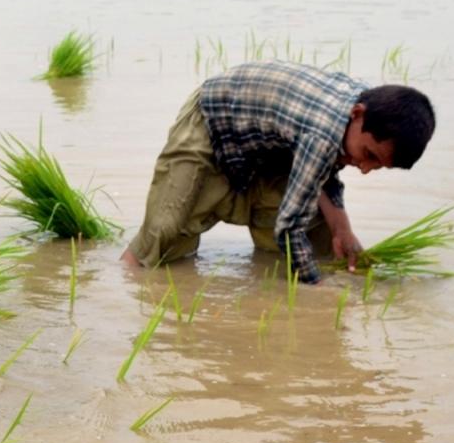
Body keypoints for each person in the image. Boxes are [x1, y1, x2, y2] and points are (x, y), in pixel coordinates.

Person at [120, 60, 435, 283]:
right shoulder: (324, 132)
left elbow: (326, 172)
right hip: (212, 118)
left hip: (268, 146)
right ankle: (122, 289)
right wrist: (316, 288)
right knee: (164, 231)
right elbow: (289, 228)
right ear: (357, 114)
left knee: (318, 238)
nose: (366, 168)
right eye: (369, 155)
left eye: (379, 165)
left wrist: (343, 231)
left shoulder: (374, 111)